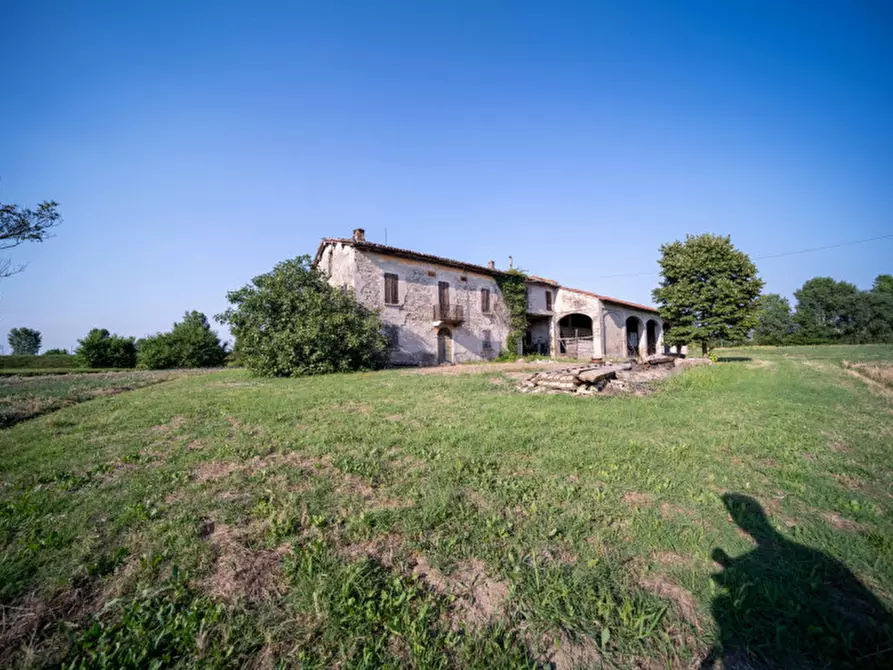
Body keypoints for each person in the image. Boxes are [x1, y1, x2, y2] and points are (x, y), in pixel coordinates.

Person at [703, 493, 893, 669]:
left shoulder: (811, 559)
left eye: (737, 512)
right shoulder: (803, 556)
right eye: (734, 511)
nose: (738, 518)